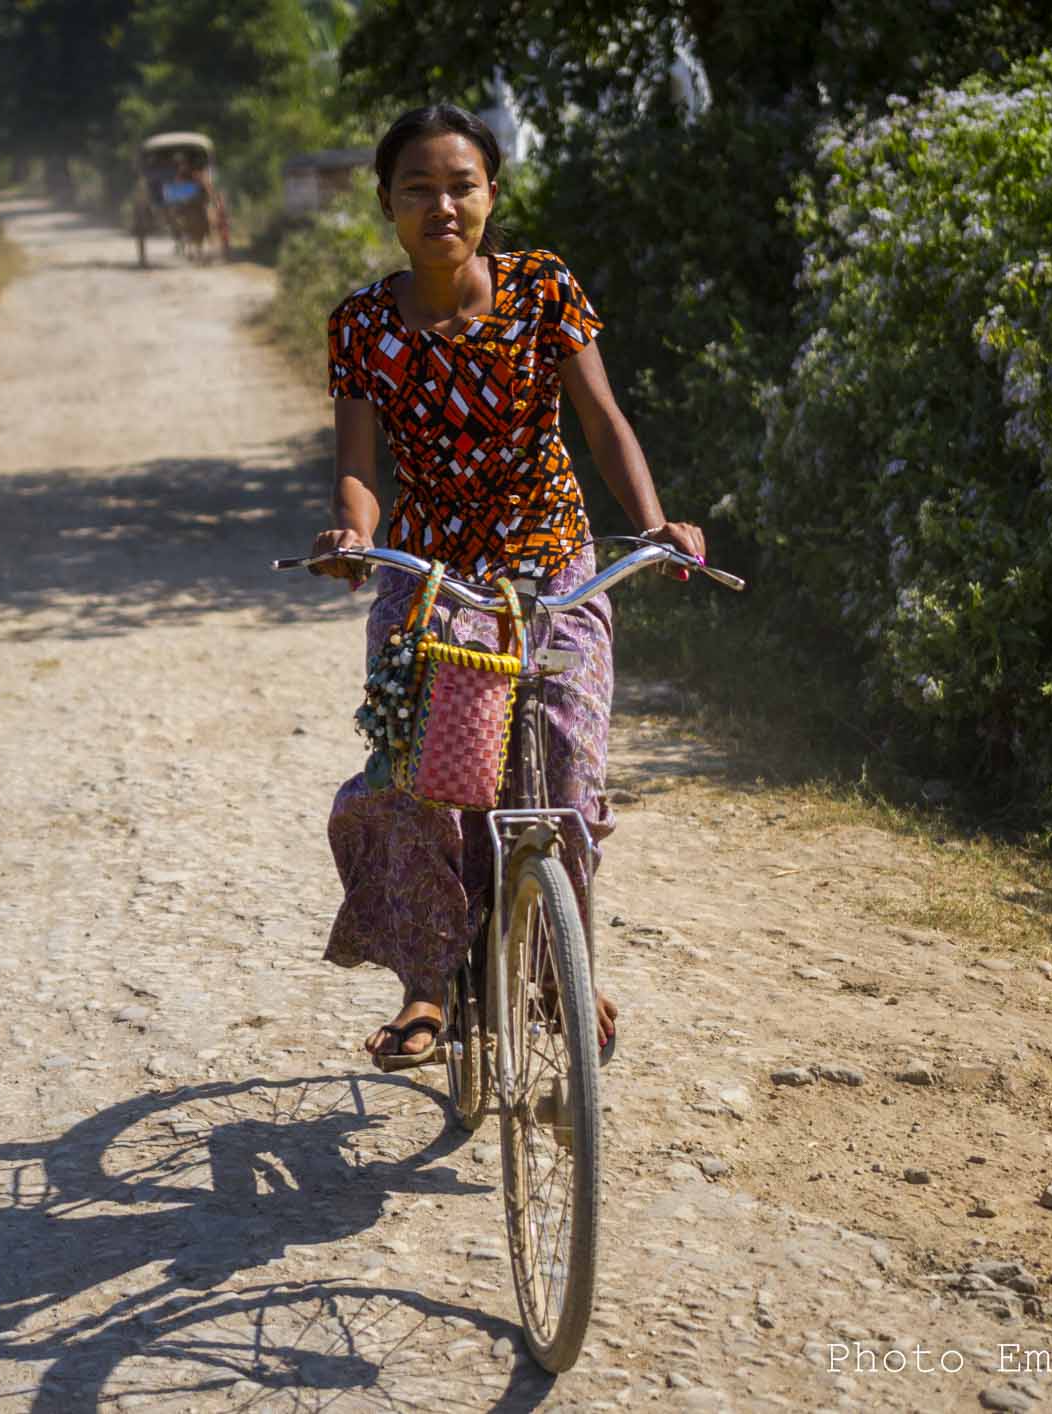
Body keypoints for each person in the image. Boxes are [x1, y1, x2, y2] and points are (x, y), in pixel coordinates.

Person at [312, 104, 706, 1069]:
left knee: (566, 778)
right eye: (418, 188)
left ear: (491, 194)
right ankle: (427, 986)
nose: (441, 204)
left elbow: (603, 419)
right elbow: (359, 465)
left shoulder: (543, 288)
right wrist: (354, 535)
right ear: (387, 204)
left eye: (461, 185)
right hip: (432, 574)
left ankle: (553, 961)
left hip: (553, 565)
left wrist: (654, 522)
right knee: (425, 783)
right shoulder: (362, 323)